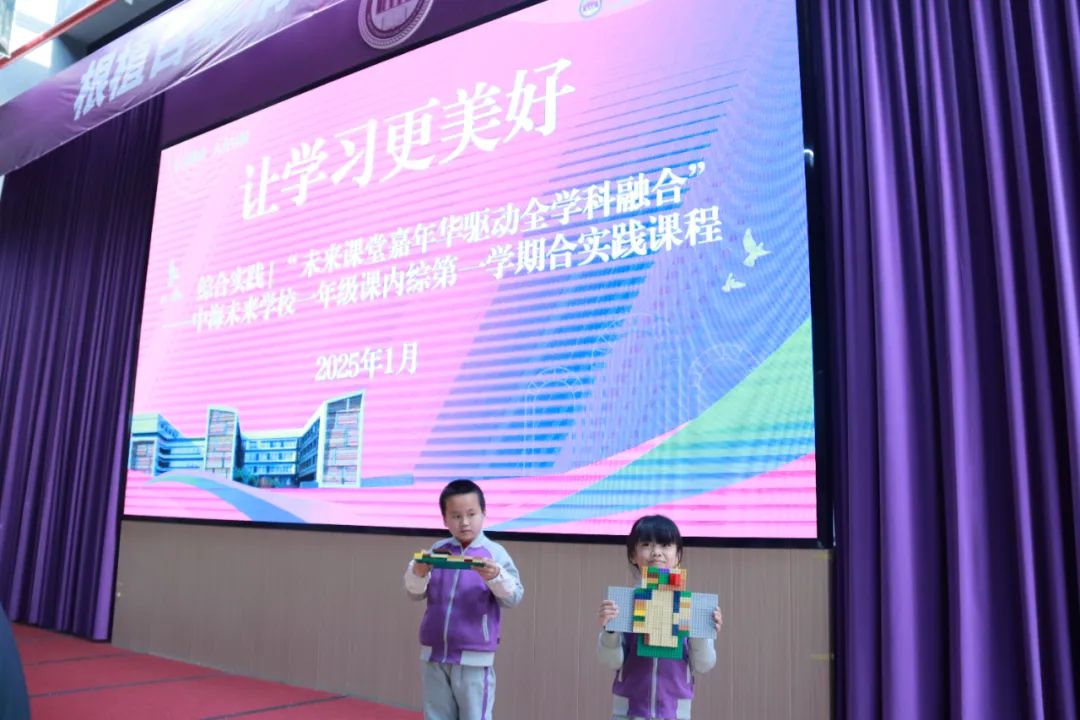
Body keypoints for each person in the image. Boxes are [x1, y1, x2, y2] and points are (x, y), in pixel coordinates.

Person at [404, 479, 524, 720]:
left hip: (474, 659)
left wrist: (496, 577)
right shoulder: (437, 550)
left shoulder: (495, 553)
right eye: (456, 516)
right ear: (444, 519)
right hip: (433, 655)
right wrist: (417, 573)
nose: (465, 522)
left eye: (471, 514)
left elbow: (514, 597)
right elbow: (414, 593)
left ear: (484, 513)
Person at [597, 515, 723, 720]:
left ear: (678, 555)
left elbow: (704, 664)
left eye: (665, 545)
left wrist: (702, 630)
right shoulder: (623, 604)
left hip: (675, 713)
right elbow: (611, 661)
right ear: (633, 555)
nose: (656, 552)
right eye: (646, 545)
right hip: (628, 713)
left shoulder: (691, 607)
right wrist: (609, 631)